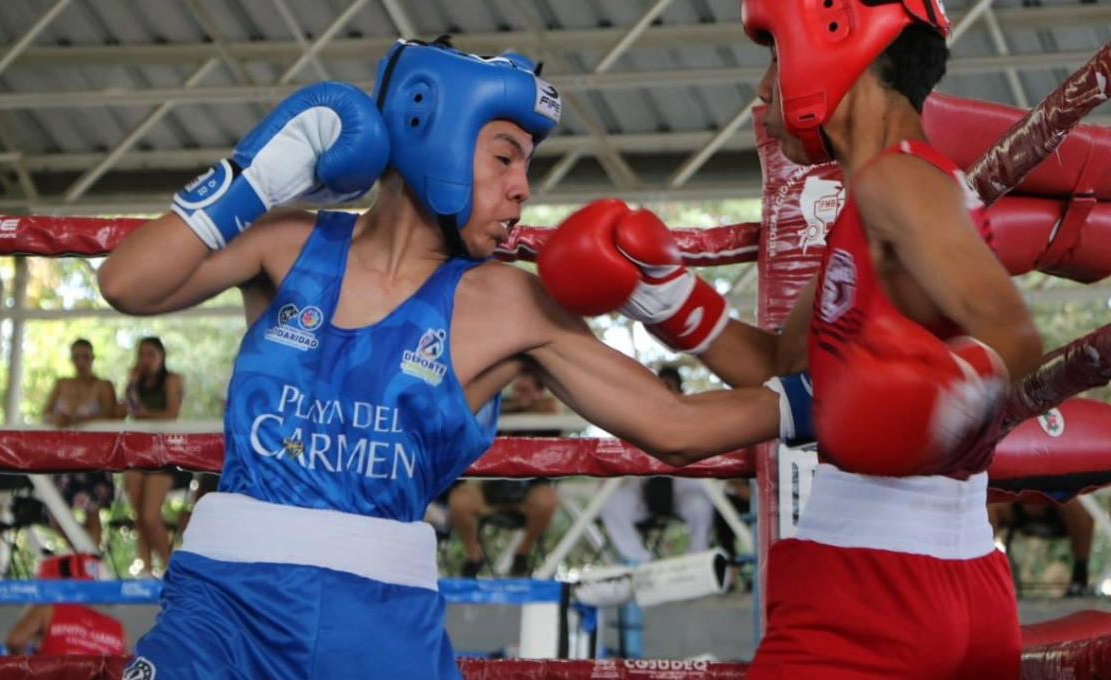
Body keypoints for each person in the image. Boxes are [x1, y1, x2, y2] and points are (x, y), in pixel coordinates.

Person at [98, 36, 785, 680]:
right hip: (220, 605)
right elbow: (126, 284)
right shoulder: (285, 243)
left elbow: (674, 427)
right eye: (506, 157)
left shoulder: (510, 304)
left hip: (378, 619)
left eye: (527, 166)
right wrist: (253, 176)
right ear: (436, 131)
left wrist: (820, 400)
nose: (523, 188)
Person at [536, 2, 1043, 678]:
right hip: (966, 586)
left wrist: (936, 405)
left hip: (868, 584)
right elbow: (779, 364)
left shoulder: (899, 180)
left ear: (834, 41)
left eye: (775, 56)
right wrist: (661, 295)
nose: (762, 86)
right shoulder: (873, 200)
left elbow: (1013, 335)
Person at [450, 367, 561, 577]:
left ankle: (522, 554)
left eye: (526, 390)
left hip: (528, 490)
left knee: (548, 499)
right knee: (460, 500)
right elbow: (473, 409)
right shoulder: (503, 407)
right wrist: (518, 406)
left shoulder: (545, 411)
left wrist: (522, 408)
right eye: (517, 390)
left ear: (539, 392)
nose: (520, 395)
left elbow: (551, 410)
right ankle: (474, 557)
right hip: (491, 486)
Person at [599, 366, 717, 564]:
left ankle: (696, 562)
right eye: (658, 388)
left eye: (668, 387)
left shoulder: (695, 423)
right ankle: (641, 563)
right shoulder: (634, 421)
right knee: (611, 502)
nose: (663, 393)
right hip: (643, 488)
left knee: (702, 504)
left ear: (681, 393)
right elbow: (619, 457)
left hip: (682, 487)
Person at [42, 339, 119, 548]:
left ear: (93, 358)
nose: (81, 362)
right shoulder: (62, 384)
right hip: (63, 458)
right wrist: (57, 419)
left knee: (92, 513)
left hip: (93, 456)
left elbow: (113, 417)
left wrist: (77, 421)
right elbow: (45, 415)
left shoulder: (102, 386)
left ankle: (90, 560)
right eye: (77, 357)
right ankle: (84, 554)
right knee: (56, 517)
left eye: (85, 357)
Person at [120, 336, 186, 577]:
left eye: (151, 354)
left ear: (162, 357)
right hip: (138, 450)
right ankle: (146, 568)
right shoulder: (136, 383)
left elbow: (171, 413)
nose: (146, 360)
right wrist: (132, 383)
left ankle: (171, 569)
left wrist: (145, 414)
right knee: (139, 514)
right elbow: (126, 409)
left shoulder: (173, 379)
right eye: (142, 354)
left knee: (150, 515)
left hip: (164, 451)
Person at [5, 553, 126, 655]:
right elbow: (128, 669)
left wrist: (27, 671)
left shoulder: (47, 609)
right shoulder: (116, 627)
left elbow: (15, 641)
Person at [988, 500, 1095, 597]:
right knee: (989, 507)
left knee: (1081, 505)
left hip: (1059, 501)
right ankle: (984, 577)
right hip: (1018, 500)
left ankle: (1080, 577)